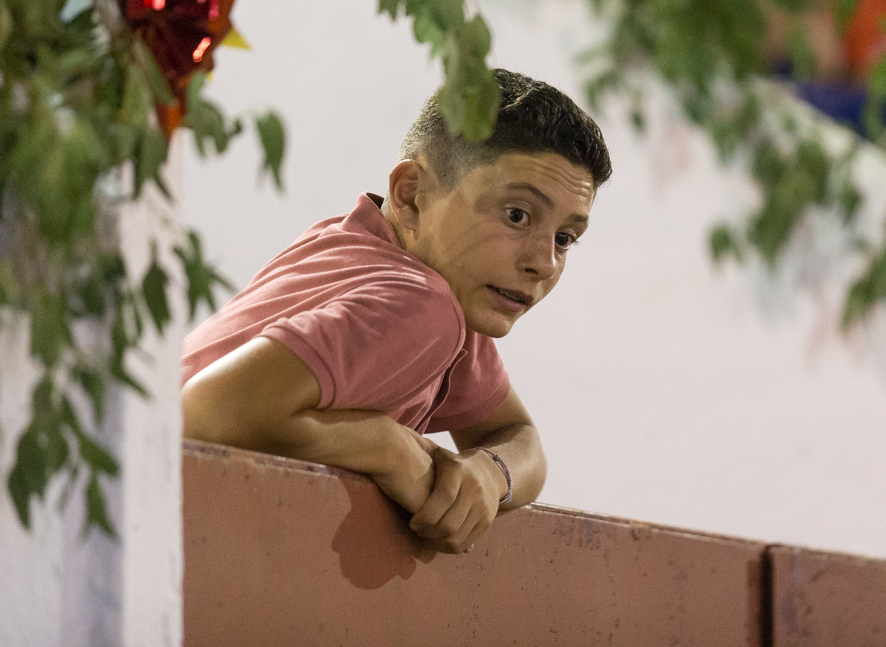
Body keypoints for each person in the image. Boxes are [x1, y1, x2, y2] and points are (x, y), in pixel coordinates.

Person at [180, 68, 612, 554]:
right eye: (516, 215)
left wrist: (490, 474)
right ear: (410, 195)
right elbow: (200, 414)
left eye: (565, 238)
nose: (543, 263)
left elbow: (518, 436)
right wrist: (385, 446)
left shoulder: (370, 251)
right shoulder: (424, 306)